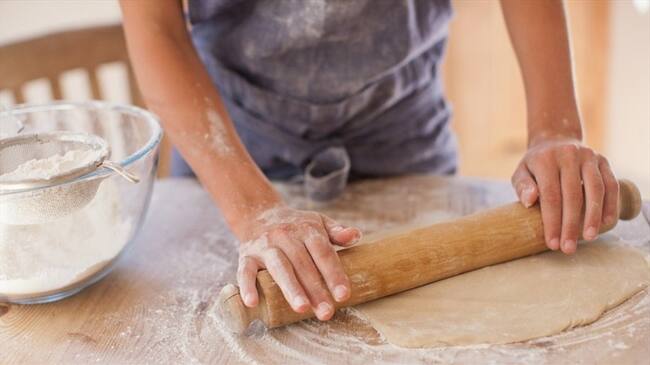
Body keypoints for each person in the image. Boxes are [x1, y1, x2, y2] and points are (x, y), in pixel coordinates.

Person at [119, 0, 620, 321]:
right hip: (229, 144)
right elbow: (155, 27)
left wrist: (555, 129)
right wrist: (255, 213)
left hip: (400, 128)